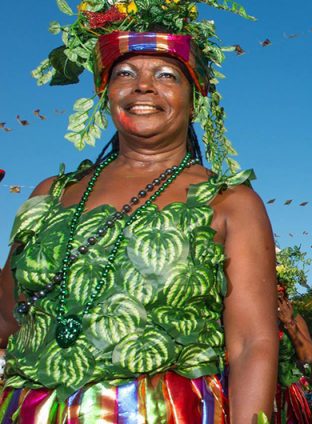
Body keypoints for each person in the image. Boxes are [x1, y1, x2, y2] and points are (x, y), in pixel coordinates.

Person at [0, 1, 277, 421]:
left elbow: (252, 343)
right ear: (105, 92)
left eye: (166, 75)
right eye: (125, 74)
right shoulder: (51, 194)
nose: (143, 87)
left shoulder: (229, 202)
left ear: (195, 95)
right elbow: (8, 316)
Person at [277, 284, 312, 424]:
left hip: (287, 387)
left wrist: (289, 323)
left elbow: (308, 356)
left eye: (281, 293)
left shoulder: (294, 316)